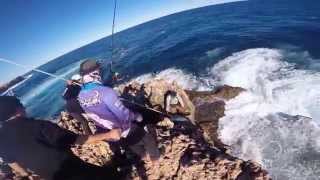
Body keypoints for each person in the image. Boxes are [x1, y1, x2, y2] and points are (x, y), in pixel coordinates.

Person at [0, 96, 123, 180]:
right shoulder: (39, 126)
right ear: (16, 110)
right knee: (112, 176)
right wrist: (109, 135)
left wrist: (26, 175)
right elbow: (78, 140)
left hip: (54, 177)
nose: (24, 107)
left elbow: (13, 163)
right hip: (75, 171)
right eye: (21, 105)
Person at [78, 60, 160, 164]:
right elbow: (124, 114)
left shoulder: (80, 96)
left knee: (132, 144)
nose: (100, 73)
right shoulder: (107, 92)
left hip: (109, 133)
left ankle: (144, 156)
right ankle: (155, 159)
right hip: (122, 128)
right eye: (98, 70)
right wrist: (137, 116)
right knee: (148, 139)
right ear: (94, 74)